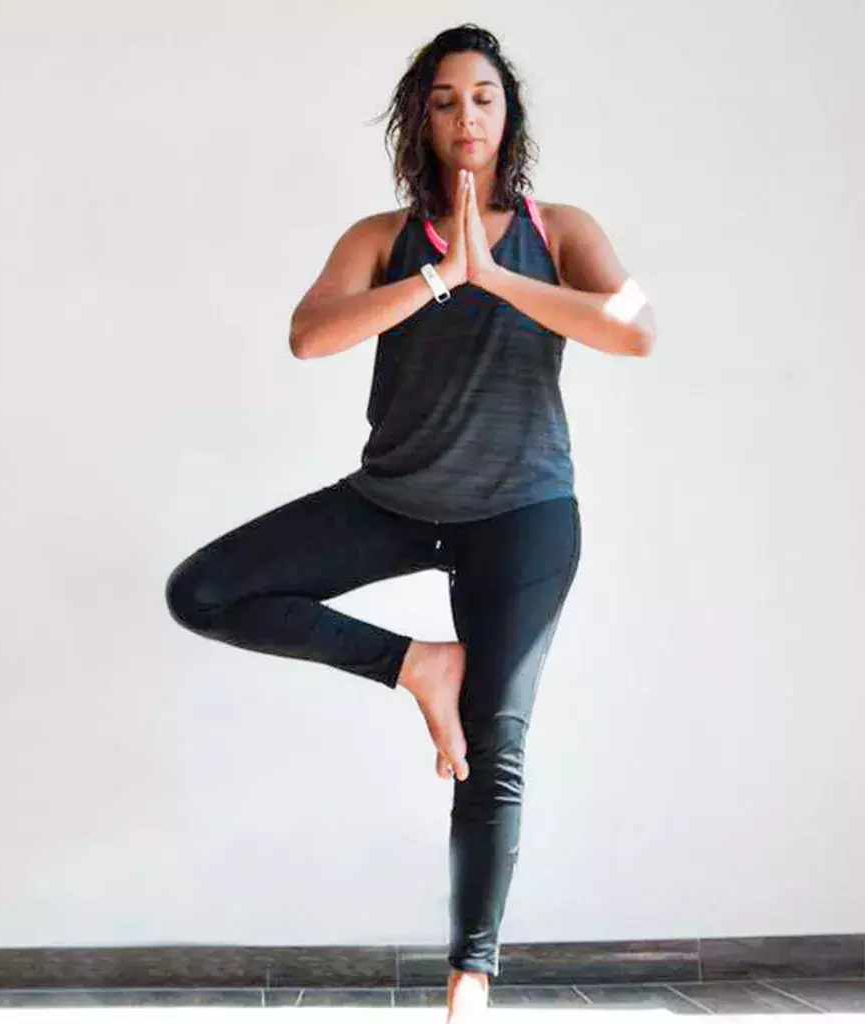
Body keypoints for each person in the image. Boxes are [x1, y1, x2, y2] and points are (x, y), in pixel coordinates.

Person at [163, 23, 656, 1023]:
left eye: (482, 95)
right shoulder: (378, 238)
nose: (465, 114)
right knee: (205, 589)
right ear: (421, 120)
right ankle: (415, 663)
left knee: (496, 738)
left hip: (522, 513)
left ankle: (471, 974)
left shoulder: (561, 229)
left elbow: (633, 325)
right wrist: (437, 275)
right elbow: (310, 336)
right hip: (395, 498)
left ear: (506, 111)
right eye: (444, 100)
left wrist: (496, 274)